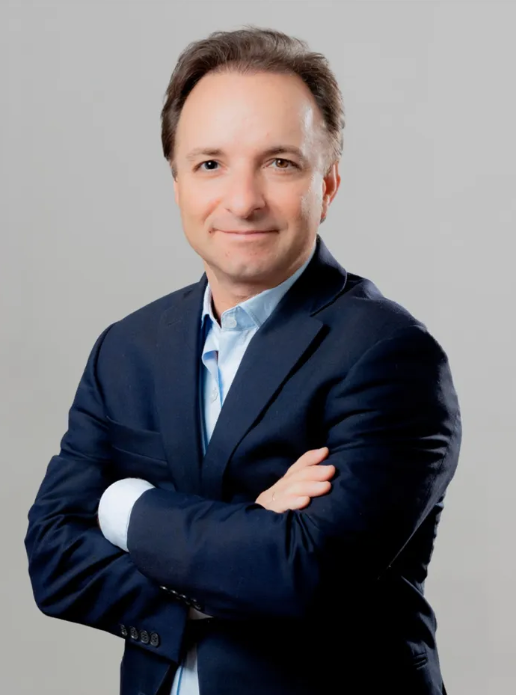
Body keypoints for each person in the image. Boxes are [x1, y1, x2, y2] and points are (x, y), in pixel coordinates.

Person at [24, 26, 460, 695]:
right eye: (210, 164)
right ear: (176, 183)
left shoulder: (389, 355)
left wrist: (123, 505)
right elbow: (54, 559)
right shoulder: (127, 349)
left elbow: (299, 574)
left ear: (327, 185)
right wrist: (247, 534)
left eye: (280, 163)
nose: (243, 200)